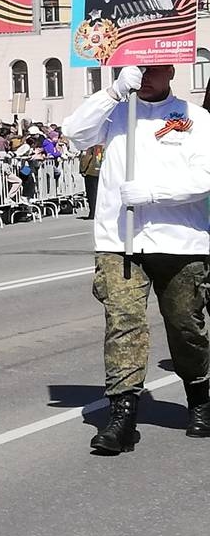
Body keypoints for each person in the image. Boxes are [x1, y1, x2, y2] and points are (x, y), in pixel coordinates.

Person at [62, 65, 210, 453]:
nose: (145, 76)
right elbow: (75, 133)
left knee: (185, 326)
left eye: (153, 68)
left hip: (180, 240)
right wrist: (112, 93)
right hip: (119, 240)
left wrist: (155, 192)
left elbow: (206, 176)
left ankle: (200, 396)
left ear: (171, 69)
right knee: (123, 324)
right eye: (137, 69)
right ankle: (123, 413)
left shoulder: (195, 117)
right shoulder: (114, 113)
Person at [79, 142, 103, 218]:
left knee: (91, 194)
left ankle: (92, 212)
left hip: (90, 172)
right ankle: (97, 212)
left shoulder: (89, 145)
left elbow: (86, 158)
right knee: (98, 193)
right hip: (98, 171)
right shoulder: (100, 146)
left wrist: (83, 169)